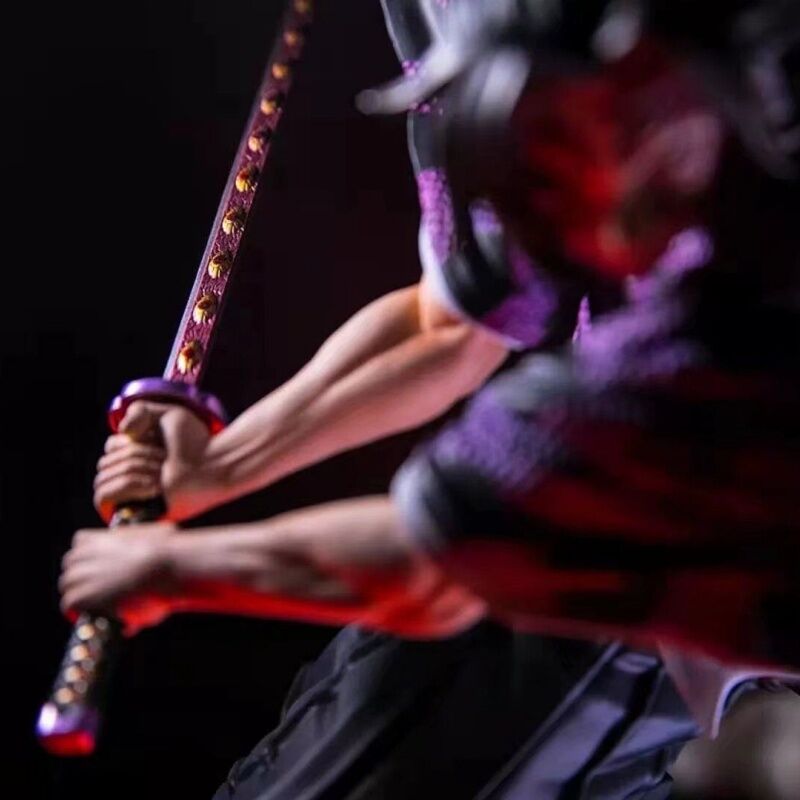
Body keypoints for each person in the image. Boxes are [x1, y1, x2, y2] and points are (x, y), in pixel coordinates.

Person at [60, 0, 800, 796]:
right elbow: (452, 322)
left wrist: (165, 568)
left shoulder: (717, 331)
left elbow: (437, 564)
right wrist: (218, 465)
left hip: (633, 580)